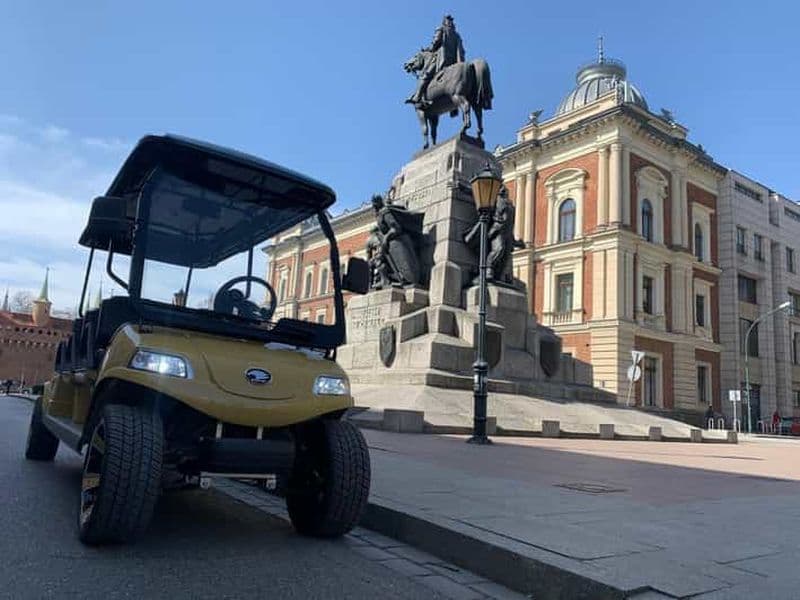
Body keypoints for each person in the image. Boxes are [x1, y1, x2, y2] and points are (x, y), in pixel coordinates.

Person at [406, 15, 466, 107]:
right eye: (449, 20)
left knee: (425, 76)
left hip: (441, 59)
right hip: (453, 62)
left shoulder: (441, 29)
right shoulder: (456, 35)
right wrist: (460, 63)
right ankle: (454, 109)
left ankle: (417, 96)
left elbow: (436, 41)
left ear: (444, 22)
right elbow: (461, 51)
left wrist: (429, 49)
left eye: (449, 20)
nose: (449, 22)